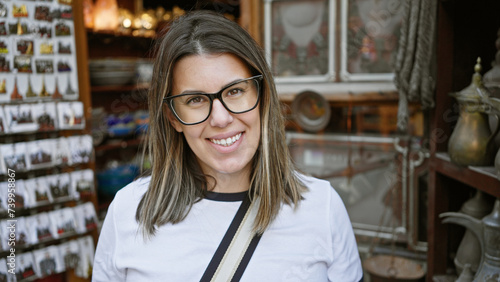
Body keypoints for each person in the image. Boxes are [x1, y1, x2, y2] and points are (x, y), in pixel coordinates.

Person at [92, 10, 363, 282]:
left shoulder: (321, 207)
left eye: (235, 91)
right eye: (196, 99)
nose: (221, 119)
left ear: (262, 95)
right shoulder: (128, 213)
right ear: (173, 117)